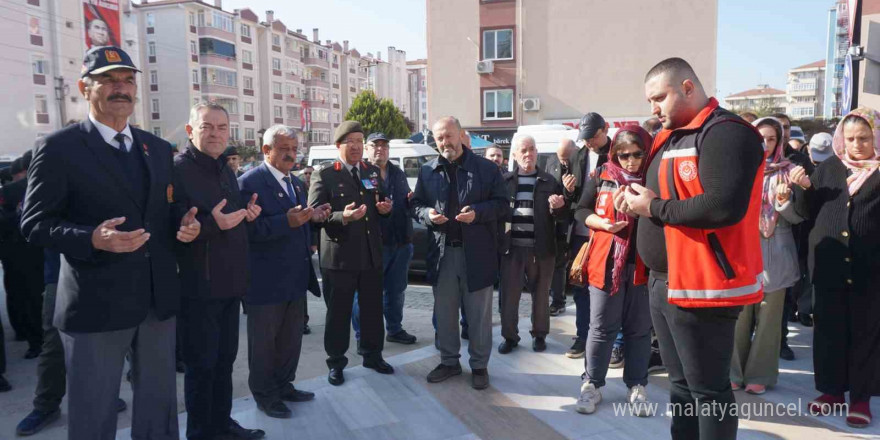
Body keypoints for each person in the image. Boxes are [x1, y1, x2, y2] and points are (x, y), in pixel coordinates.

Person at [20, 46, 198, 440]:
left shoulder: (157, 149)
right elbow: (34, 224)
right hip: (96, 306)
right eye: (109, 79)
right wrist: (92, 239)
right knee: (93, 414)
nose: (121, 88)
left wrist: (186, 225)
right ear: (85, 88)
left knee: (158, 409)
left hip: (155, 301)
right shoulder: (58, 148)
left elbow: (170, 211)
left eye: (128, 81)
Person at [617, 57, 764, 439]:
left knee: (709, 392)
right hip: (664, 283)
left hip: (703, 287)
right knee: (680, 388)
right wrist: (633, 198)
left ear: (687, 88)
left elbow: (721, 206)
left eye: (658, 97)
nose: (653, 108)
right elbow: (664, 194)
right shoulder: (670, 135)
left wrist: (651, 207)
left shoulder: (727, 132)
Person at [172, 102, 264, 440]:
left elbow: (231, 215)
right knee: (201, 367)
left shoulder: (225, 168)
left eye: (222, 128)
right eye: (207, 126)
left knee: (224, 363)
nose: (215, 134)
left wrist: (247, 214)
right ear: (190, 130)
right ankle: (200, 433)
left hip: (230, 284)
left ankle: (221, 424)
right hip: (199, 289)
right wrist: (212, 225)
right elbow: (176, 226)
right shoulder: (178, 170)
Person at [790, 107, 880, 428]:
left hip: (869, 272)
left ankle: (859, 397)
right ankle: (830, 392)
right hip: (828, 268)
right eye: (851, 138)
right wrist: (801, 189)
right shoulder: (829, 167)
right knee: (828, 331)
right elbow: (805, 212)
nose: (857, 145)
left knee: (864, 333)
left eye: (865, 138)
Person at [238, 125, 329, 419]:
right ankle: (265, 395)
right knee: (264, 344)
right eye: (284, 149)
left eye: (294, 148)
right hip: (265, 283)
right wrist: (284, 223)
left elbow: (297, 219)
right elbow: (245, 233)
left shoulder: (296, 183)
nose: (291, 155)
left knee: (290, 340)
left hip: (295, 277)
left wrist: (312, 218)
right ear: (266, 150)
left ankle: (284, 385)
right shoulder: (249, 183)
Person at [412, 116, 508, 390]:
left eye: (449, 136)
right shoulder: (428, 170)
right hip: (442, 254)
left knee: (478, 316)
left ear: (461, 136)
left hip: (477, 253)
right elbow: (416, 204)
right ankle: (449, 361)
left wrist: (478, 214)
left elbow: (502, 205)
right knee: (444, 313)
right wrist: (428, 215)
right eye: (439, 138)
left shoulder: (486, 169)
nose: (444, 142)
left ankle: (479, 366)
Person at [307, 121, 395, 386]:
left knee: (372, 309)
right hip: (339, 257)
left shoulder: (370, 170)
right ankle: (336, 362)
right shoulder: (325, 173)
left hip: (370, 254)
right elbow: (313, 214)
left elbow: (379, 201)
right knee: (338, 314)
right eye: (350, 142)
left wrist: (385, 209)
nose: (356, 146)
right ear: (338, 146)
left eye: (360, 140)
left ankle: (372, 355)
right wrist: (340, 217)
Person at [574, 125, 653, 416]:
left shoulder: (655, 179)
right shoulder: (602, 175)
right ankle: (592, 384)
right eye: (623, 155)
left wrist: (644, 210)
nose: (630, 161)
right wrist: (602, 223)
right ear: (614, 155)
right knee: (601, 328)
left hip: (643, 265)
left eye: (637, 154)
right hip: (606, 263)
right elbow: (581, 210)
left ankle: (637, 386)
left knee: (639, 330)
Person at [15, 248, 129, 435]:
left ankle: (102, 397)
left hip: (110, 272)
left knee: (105, 342)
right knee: (54, 345)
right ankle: (46, 405)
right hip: (62, 274)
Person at [730, 117, 802, 396]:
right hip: (743, 252)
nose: (765, 144)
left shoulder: (791, 171)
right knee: (739, 316)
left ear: (779, 141)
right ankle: (734, 372)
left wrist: (784, 202)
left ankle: (760, 374)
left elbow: (798, 218)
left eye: (771, 139)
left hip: (776, 254)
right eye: (761, 138)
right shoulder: (739, 169)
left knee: (769, 320)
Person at [498, 134, 567, 354]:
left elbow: (562, 216)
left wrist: (557, 207)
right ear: (516, 155)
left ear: (537, 152)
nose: (528, 154)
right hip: (512, 250)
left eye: (532, 149)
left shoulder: (549, 181)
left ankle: (539, 335)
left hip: (542, 250)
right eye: (523, 150)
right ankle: (510, 337)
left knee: (541, 296)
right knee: (509, 297)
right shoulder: (505, 182)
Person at [352, 132, 418, 346]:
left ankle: (394, 329)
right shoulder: (360, 173)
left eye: (384, 145)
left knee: (397, 290)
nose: (380, 149)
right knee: (366, 293)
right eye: (375, 145)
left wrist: (412, 201)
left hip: (401, 241)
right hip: (373, 244)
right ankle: (363, 335)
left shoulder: (397, 172)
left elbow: (406, 201)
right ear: (366, 148)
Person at [566, 112, 612, 359]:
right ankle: (582, 336)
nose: (589, 142)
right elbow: (573, 200)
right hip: (582, 232)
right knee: (580, 286)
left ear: (605, 129)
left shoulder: (618, 152)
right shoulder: (579, 155)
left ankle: (613, 343)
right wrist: (568, 189)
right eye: (585, 138)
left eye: (593, 137)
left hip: (609, 232)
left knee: (609, 288)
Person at [771, 112, 813, 361]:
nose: (784, 132)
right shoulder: (757, 158)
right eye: (779, 128)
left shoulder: (798, 160)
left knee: (786, 292)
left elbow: (809, 194)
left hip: (792, 231)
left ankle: (781, 341)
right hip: (764, 234)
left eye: (786, 127)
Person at [0, 151, 44, 359]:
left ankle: (34, 340)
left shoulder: (9, 191)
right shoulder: (13, 191)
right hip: (34, 252)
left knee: (27, 298)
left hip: (19, 254)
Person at [544, 138, 578, 315]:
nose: (563, 161)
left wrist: (569, 191)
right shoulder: (551, 161)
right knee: (558, 263)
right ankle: (558, 301)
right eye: (560, 157)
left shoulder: (581, 161)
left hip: (578, 219)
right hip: (558, 221)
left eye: (566, 158)